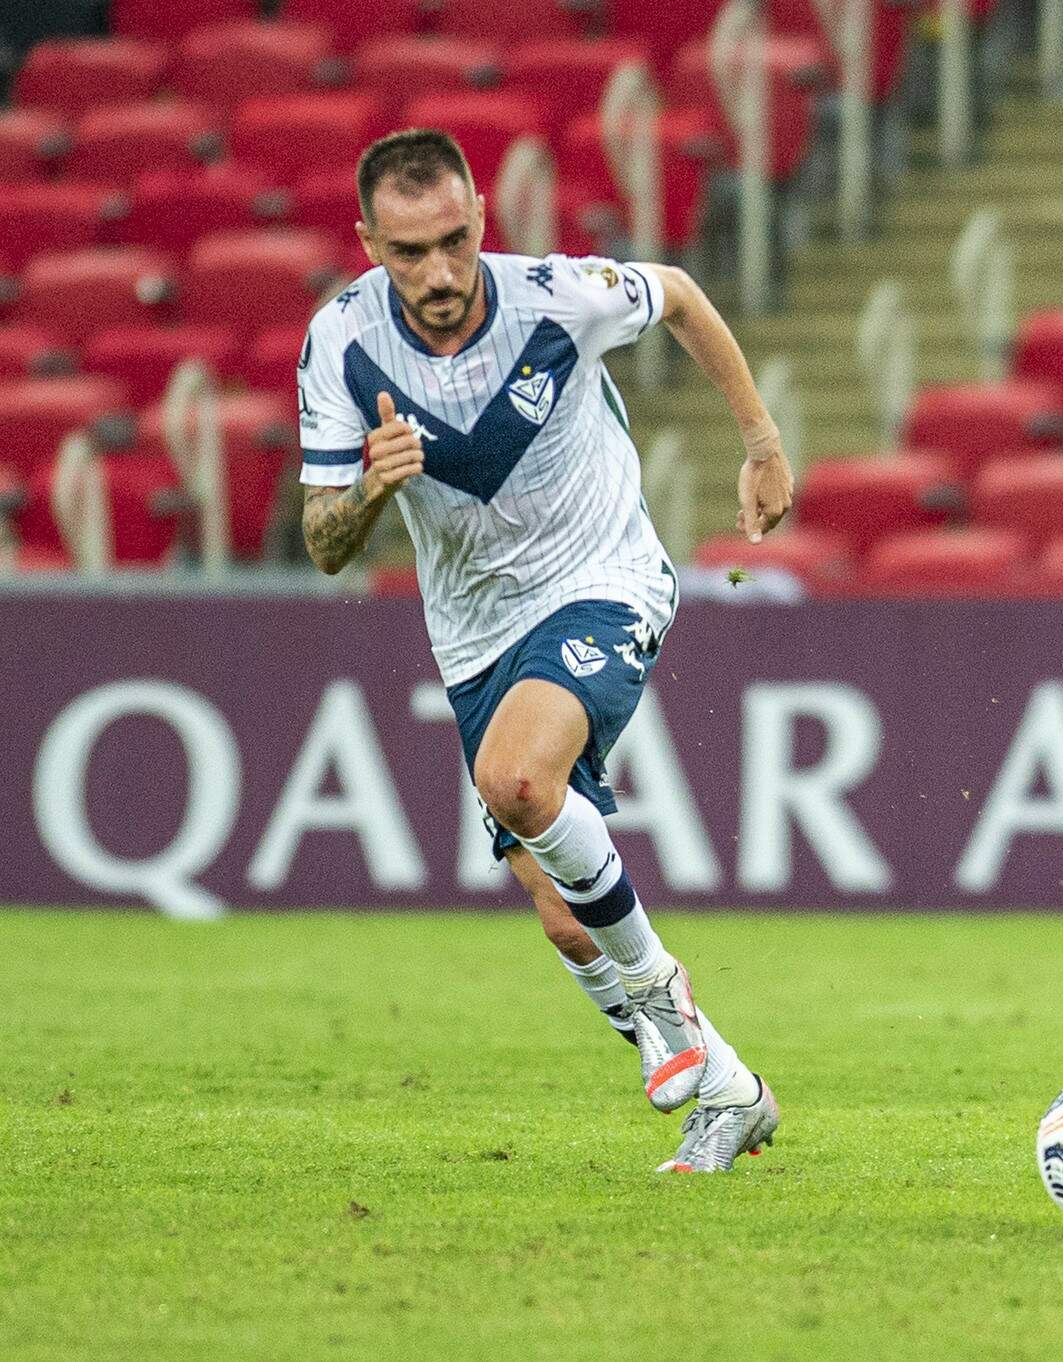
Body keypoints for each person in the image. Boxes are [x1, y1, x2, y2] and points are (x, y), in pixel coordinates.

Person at [295, 129, 794, 1174]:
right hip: (475, 635)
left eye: (451, 240)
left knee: (518, 780)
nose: (435, 274)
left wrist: (760, 442)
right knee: (569, 925)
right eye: (405, 253)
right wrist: (370, 493)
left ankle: (661, 992)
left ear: (482, 211)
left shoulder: (559, 296)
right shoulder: (339, 344)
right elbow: (324, 544)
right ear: (367, 243)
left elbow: (686, 298)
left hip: (603, 579)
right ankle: (730, 1092)